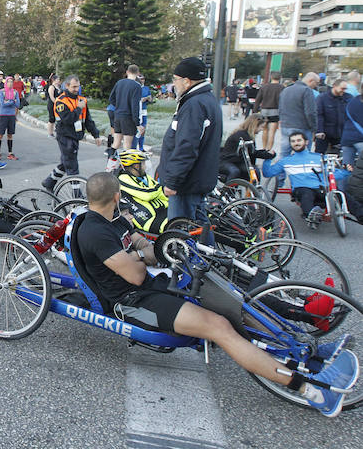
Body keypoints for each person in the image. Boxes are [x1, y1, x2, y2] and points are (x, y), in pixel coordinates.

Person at [76, 172, 358, 418]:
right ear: (117, 195)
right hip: (132, 302)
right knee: (219, 327)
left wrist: (145, 250)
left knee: (238, 306)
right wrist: (142, 255)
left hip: (153, 284)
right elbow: (135, 274)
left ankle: (309, 352)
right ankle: (314, 392)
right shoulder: (94, 232)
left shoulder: (115, 219)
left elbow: (139, 240)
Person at [157, 57, 222, 241]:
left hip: (186, 183)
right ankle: (210, 260)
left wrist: (173, 181)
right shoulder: (205, 99)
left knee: (180, 231)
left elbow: (186, 147)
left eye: (175, 79)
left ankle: (190, 267)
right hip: (196, 179)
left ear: (187, 81)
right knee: (199, 225)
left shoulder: (194, 105)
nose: (173, 84)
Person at [261, 132, 338, 229]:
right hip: (302, 190)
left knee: (340, 193)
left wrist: (347, 170)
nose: (296, 143)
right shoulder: (286, 161)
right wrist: (268, 158)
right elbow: (268, 173)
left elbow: (334, 173)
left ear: (306, 142)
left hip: (320, 189)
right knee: (305, 193)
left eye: (299, 140)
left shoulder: (319, 157)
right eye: (293, 141)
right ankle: (311, 215)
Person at [41, 75, 103, 192]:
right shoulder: (60, 101)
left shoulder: (82, 100)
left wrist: (96, 135)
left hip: (76, 135)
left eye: (78, 87)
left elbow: (88, 120)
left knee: (66, 162)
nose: (76, 89)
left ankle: (49, 182)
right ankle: (76, 196)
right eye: (74, 87)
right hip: (65, 136)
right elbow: (68, 119)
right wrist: (78, 108)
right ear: (67, 86)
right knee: (72, 165)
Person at [115, 150, 170, 235]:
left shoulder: (144, 177)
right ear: (136, 166)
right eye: (143, 163)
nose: (145, 166)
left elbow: (160, 192)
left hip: (161, 211)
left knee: (181, 217)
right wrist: (159, 189)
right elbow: (146, 194)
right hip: (147, 218)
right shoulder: (123, 178)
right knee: (174, 227)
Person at [219, 113, 272, 183]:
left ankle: (253, 191)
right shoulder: (241, 135)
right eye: (261, 127)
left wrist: (266, 153)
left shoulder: (248, 135)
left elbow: (252, 151)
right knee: (235, 171)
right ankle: (228, 190)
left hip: (237, 161)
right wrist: (268, 154)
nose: (262, 130)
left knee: (255, 171)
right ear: (255, 125)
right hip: (226, 161)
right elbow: (252, 152)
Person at [108, 64, 143, 168]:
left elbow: (111, 98)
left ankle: (109, 165)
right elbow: (135, 106)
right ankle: (125, 169)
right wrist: (137, 123)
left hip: (118, 115)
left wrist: (119, 105)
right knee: (127, 145)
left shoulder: (119, 83)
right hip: (128, 118)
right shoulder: (137, 86)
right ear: (137, 73)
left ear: (127, 72)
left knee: (116, 142)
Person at [315, 79, 348, 155]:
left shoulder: (346, 98)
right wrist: (319, 130)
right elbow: (318, 115)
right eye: (342, 88)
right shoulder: (322, 98)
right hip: (324, 134)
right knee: (319, 155)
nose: (343, 91)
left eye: (345, 89)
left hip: (339, 134)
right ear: (334, 86)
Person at [255, 71, 283, 152]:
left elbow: (258, 99)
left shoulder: (264, 87)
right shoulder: (282, 88)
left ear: (271, 77)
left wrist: (255, 110)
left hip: (264, 110)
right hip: (275, 111)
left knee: (265, 130)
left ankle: (263, 147)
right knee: (272, 132)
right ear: (280, 78)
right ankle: (269, 149)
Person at [0, 76, 20, 161]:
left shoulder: (15, 92)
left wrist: (9, 101)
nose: (10, 83)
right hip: (3, 115)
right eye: (8, 82)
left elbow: (18, 105)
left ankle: (10, 153)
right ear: (6, 83)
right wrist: (13, 101)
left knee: (10, 135)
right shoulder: (1, 92)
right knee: (0, 135)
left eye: (12, 82)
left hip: (11, 115)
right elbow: (2, 104)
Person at [341, 92, 363, 167]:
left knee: (347, 168)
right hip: (360, 139)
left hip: (346, 138)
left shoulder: (352, 101)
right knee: (361, 168)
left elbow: (343, 118)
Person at [132, 74, 153, 151]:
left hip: (144, 110)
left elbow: (150, 99)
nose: (142, 80)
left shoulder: (146, 88)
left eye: (143, 79)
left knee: (143, 129)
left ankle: (141, 147)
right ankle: (134, 147)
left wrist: (148, 98)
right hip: (137, 110)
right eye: (140, 79)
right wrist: (143, 99)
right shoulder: (136, 87)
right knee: (137, 129)